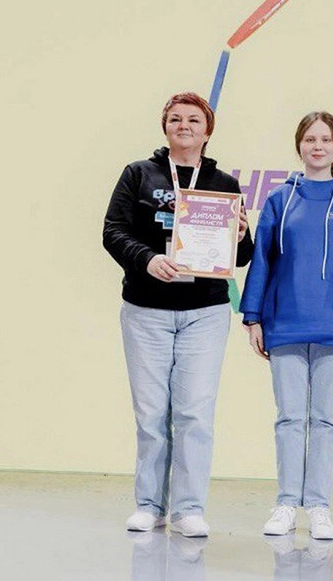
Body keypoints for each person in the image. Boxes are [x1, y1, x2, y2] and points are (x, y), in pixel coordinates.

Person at [103, 92, 253, 538]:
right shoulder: (139, 174)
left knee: (194, 413)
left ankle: (189, 508)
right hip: (146, 311)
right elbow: (113, 231)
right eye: (175, 119)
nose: (184, 125)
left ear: (208, 131)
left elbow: (242, 256)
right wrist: (147, 259)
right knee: (151, 413)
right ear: (165, 126)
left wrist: (241, 236)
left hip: (205, 314)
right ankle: (150, 505)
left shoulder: (224, 184)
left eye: (193, 120)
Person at [240, 111, 333, 541]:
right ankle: (286, 503)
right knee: (289, 418)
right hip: (285, 323)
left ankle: (319, 506)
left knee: (325, 420)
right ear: (299, 145)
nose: (317, 146)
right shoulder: (280, 199)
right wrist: (253, 316)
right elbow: (262, 259)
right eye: (310, 139)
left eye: (325, 140)